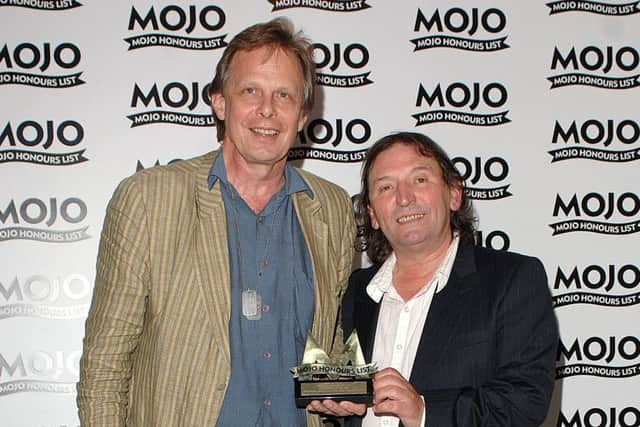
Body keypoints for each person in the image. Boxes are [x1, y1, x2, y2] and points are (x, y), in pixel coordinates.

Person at [77, 18, 355, 426]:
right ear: (220, 103)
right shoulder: (149, 199)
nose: (267, 109)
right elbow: (105, 365)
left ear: (301, 116)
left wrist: (343, 391)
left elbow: (323, 348)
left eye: (284, 95)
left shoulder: (330, 208)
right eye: (250, 91)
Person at [308, 132, 558, 426]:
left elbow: (525, 401)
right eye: (386, 187)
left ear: (454, 193)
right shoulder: (355, 291)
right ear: (372, 214)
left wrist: (424, 411)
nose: (404, 198)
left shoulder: (512, 279)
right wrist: (334, 401)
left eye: (420, 180)